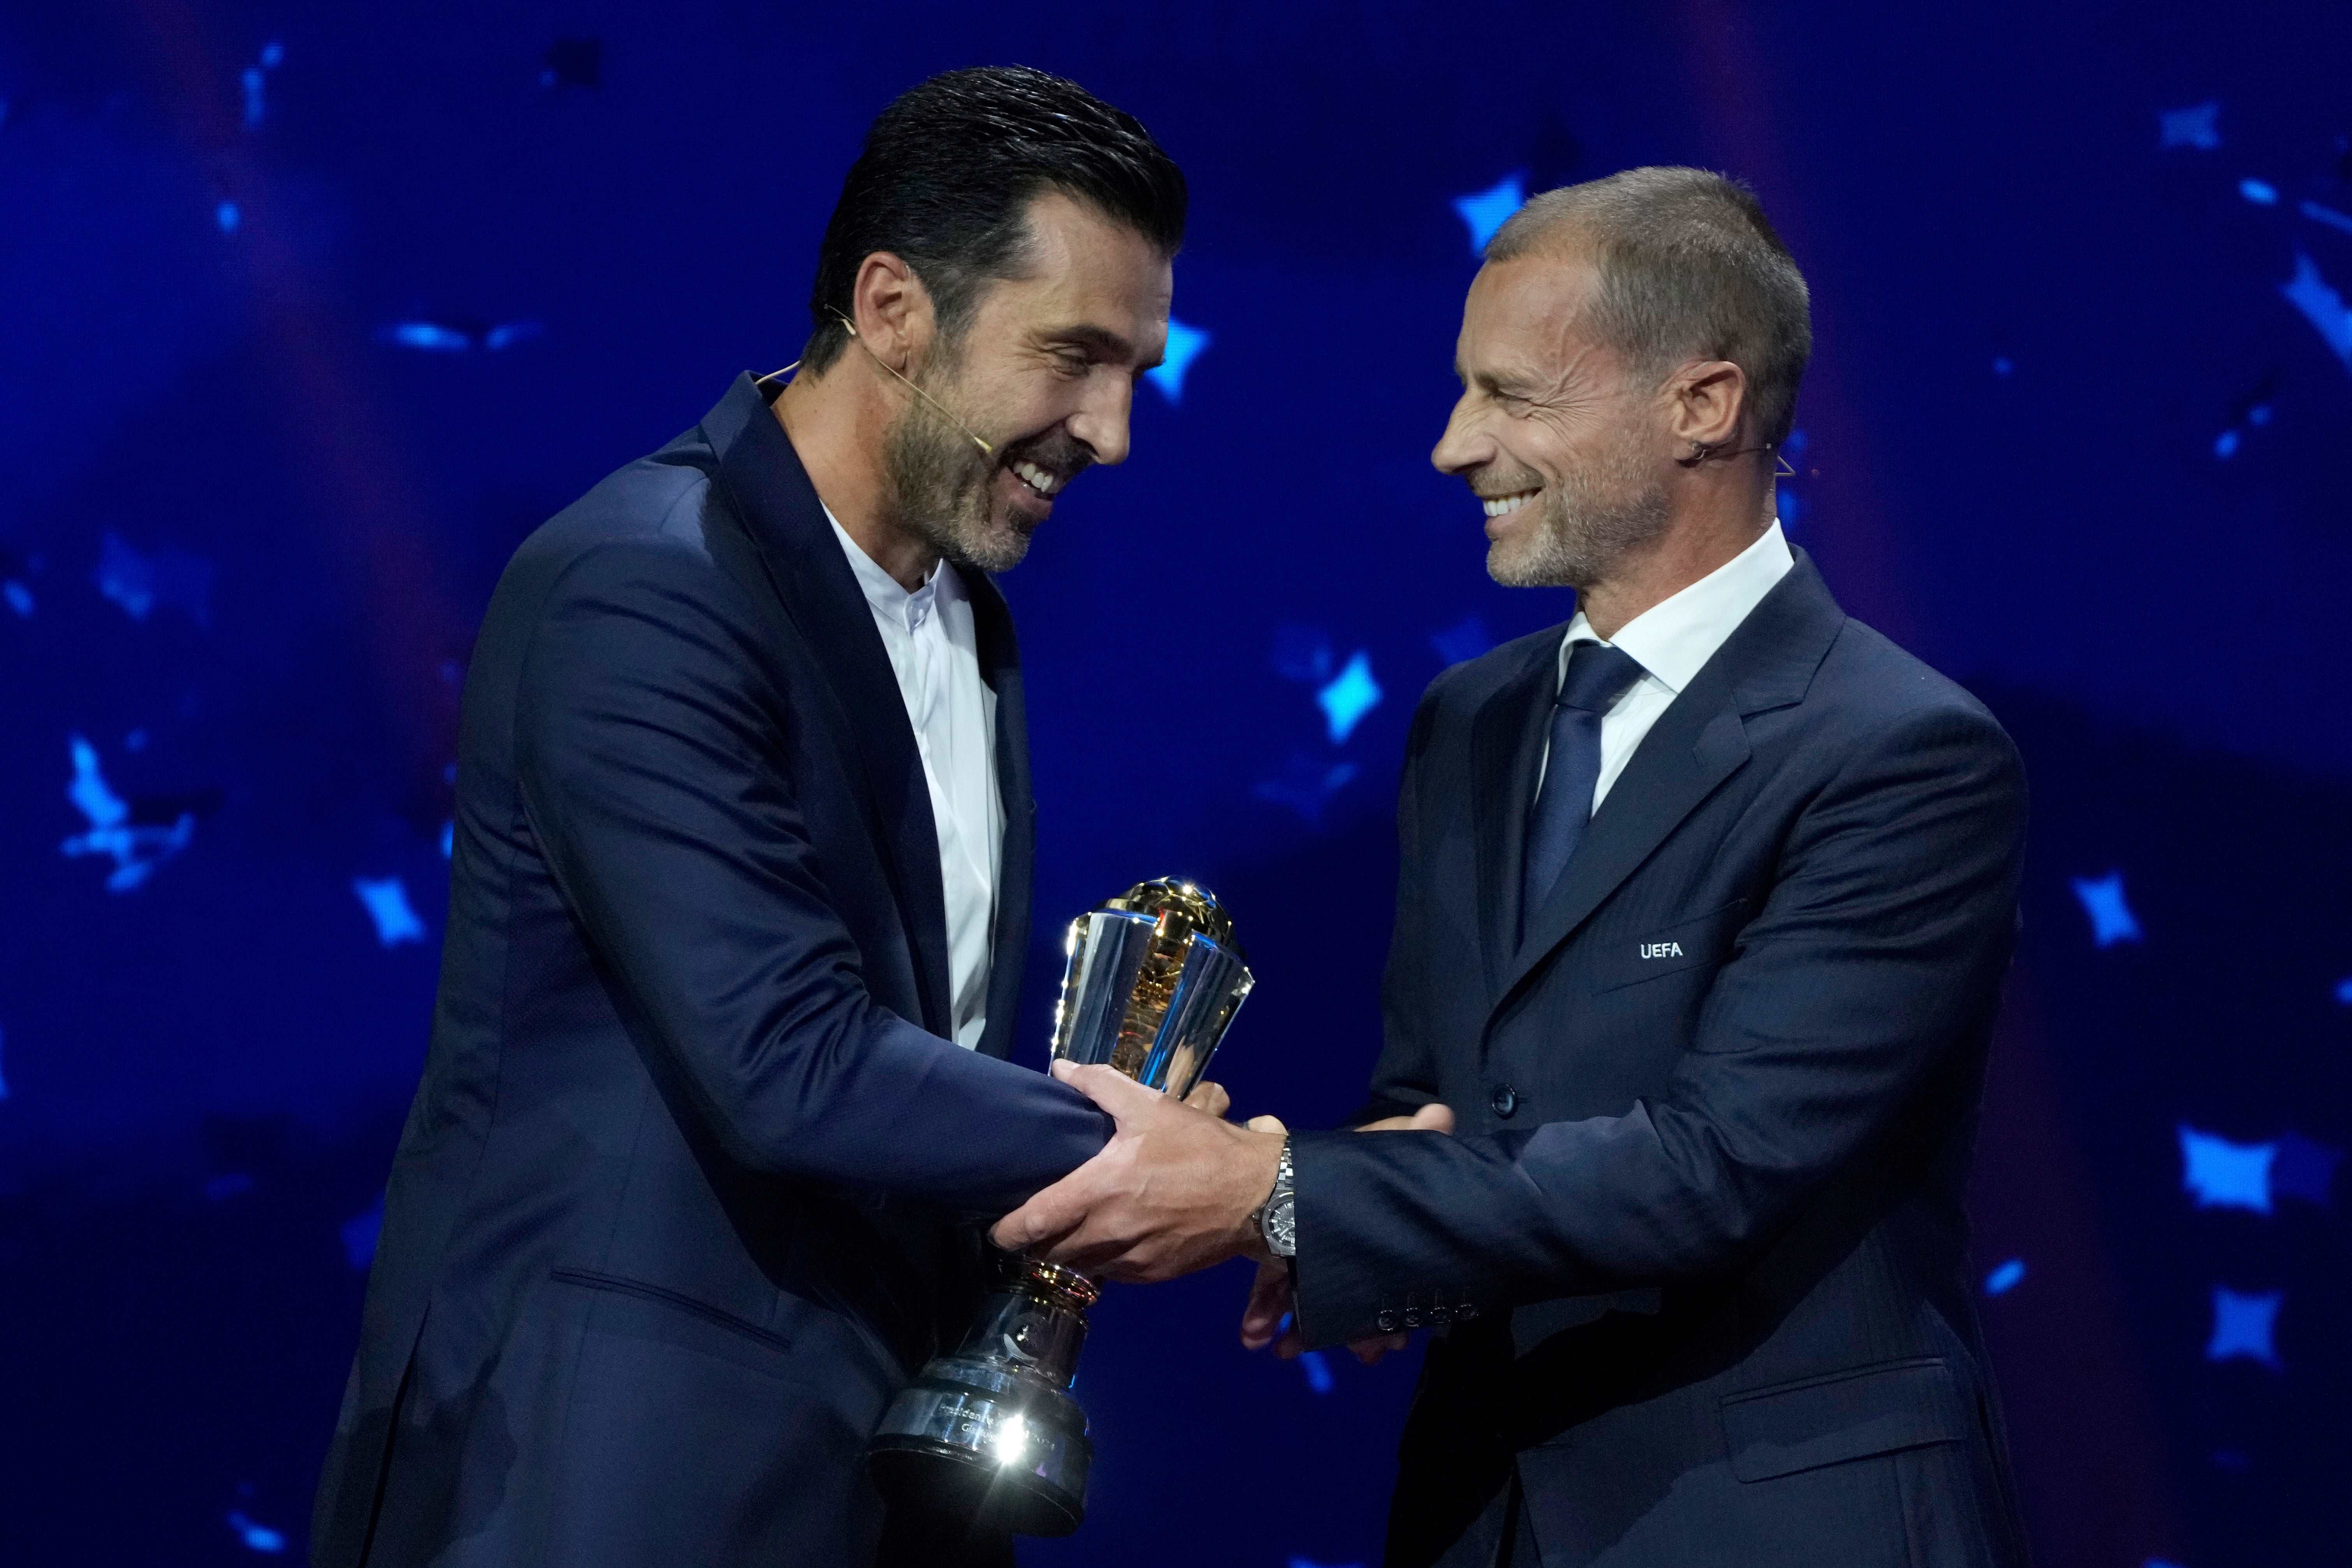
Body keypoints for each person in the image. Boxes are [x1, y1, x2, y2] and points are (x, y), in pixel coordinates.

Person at [994, 167, 2033, 1567]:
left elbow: (1717, 1164)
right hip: (1488, 1510)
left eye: (1511, 395)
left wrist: (1275, 1191)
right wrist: (1331, 1216)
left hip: (1783, 1516)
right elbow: (1444, 1101)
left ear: (1704, 405)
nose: (1450, 445)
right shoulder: (1471, 721)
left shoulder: (1901, 754)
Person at [310, 66, 1194, 1568]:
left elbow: (931, 1040)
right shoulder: (646, 587)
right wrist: (1148, 1153)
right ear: (894, 307)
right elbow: (786, 1056)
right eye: (1074, 357)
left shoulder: (971, 621)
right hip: (604, 1476)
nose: (1109, 431)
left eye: (1135, 373)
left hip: (869, 1476)